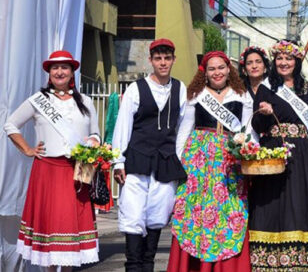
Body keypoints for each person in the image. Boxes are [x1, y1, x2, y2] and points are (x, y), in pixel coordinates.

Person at [4, 51, 101, 270]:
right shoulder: (39, 101)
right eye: (55, 68)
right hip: (48, 170)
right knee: (50, 226)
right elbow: (10, 125)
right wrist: (27, 149)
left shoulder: (84, 101)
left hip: (77, 171)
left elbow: (95, 133)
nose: (59, 72)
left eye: (64, 67)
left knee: (70, 226)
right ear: (49, 73)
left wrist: (93, 142)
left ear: (72, 72)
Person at [250, 40, 308, 271]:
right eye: (280, 58)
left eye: (289, 58)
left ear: (297, 62)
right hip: (275, 151)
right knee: (274, 203)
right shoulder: (266, 87)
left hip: (303, 154)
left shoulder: (305, 88)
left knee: (300, 204)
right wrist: (264, 113)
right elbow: (256, 124)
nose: (284, 63)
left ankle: (302, 262)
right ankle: (269, 262)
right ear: (274, 62)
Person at [167, 51, 251, 271]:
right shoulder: (196, 95)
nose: (217, 73)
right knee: (197, 210)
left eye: (221, 67)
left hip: (229, 160)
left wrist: (248, 153)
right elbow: (184, 132)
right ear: (205, 73)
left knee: (229, 208)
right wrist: (178, 163)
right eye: (212, 69)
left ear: (228, 69)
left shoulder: (241, 95)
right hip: (199, 160)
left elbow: (248, 129)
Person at [112, 38, 188, 271]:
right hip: (137, 158)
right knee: (134, 217)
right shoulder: (136, 88)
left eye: (167, 58)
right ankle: (134, 266)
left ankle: (148, 266)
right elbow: (122, 126)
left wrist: (179, 160)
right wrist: (118, 161)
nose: (163, 63)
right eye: (158, 58)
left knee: (157, 217)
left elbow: (183, 128)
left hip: (165, 161)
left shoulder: (180, 88)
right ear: (151, 60)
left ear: (173, 60)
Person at [239, 45, 271, 142]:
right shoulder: (239, 91)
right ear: (244, 70)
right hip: (247, 143)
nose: (254, 66)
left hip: (271, 142)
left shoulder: (275, 89)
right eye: (249, 63)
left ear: (265, 67)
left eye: (258, 62)